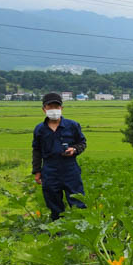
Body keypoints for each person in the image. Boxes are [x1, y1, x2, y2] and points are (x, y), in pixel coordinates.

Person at [32, 92, 87, 220]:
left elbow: (82, 143)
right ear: (44, 109)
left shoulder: (72, 126)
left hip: (70, 169)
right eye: (50, 107)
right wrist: (37, 171)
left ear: (61, 108)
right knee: (54, 203)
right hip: (50, 170)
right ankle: (58, 232)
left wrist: (75, 149)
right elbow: (37, 150)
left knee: (78, 201)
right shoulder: (40, 129)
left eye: (56, 107)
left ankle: (82, 231)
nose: (53, 110)